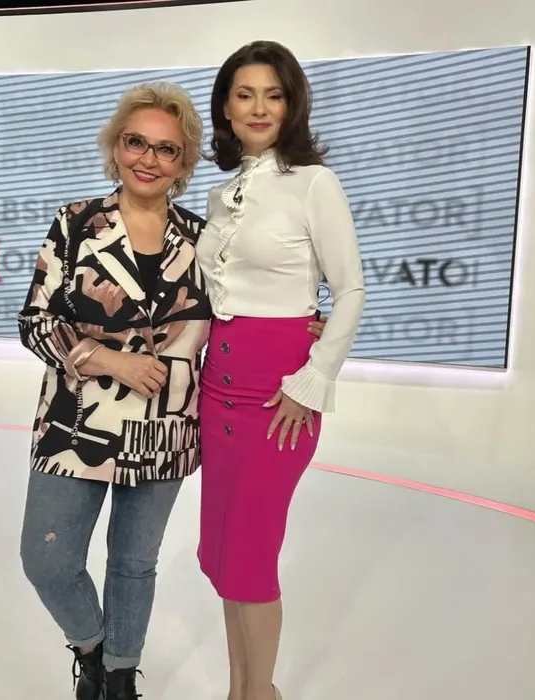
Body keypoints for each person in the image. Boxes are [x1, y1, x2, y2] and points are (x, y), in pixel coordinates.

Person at [16, 81, 328, 700]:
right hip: (74, 424)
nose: (148, 159)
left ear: (184, 164)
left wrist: (301, 327)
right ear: (116, 146)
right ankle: (94, 651)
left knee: (134, 565)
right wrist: (109, 360)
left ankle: (121, 678)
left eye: (167, 149)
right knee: (47, 560)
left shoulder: (203, 239)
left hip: (167, 429)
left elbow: (247, 306)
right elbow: (35, 321)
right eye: (136, 142)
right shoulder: (76, 222)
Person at [195, 40, 366, 700]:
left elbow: (350, 290)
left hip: (278, 398)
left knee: (251, 556)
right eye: (245, 94)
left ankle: (257, 693)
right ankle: (243, 688)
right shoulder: (222, 194)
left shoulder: (315, 183)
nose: (259, 107)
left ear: (293, 105)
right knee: (223, 558)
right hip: (217, 389)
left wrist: (311, 380)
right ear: (226, 108)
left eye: (274, 94)